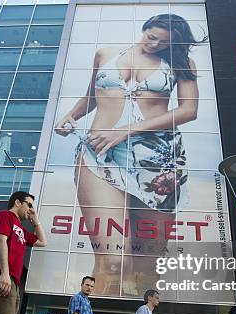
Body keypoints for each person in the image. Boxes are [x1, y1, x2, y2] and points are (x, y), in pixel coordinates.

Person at [54, 14, 205, 297]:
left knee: (146, 265)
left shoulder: (182, 64)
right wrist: (70, 116)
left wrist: (126, 130)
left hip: (158, 161)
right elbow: (91, 96)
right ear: (144, 28)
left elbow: (189, 110)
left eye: (164, 42)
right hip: (100, 154)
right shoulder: (106, 54)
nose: (155, 43)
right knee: (113, 259)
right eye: (152, 36)